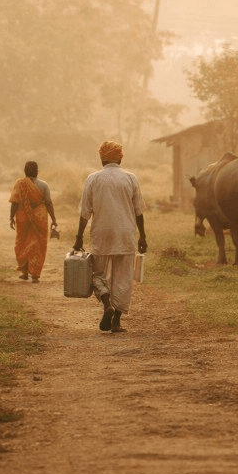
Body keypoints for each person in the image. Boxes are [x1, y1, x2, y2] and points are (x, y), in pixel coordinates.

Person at [73, 141, 147, 333]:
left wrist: (79, 237)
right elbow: (139, 212)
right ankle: (116, 322)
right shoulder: (130, 178)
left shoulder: (93, 179)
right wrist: (143, 237)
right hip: (126, 234)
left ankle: (107, 303)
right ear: (120, 158)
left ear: (101, 158)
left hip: (101, 235)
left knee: (98, 275)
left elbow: (85, 213)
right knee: (123, 278)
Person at [9, 160, 58, 283]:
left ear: (25, 171)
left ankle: (24, 272)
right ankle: (35, 275)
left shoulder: (19, 184)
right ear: (37, 171)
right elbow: (48, 203)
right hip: (40, 218)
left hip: (23, 218)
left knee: (22, 243)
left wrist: (11, 218)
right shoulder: (43, 185)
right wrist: (53, 219)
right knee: (38, 246)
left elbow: (14, 203)